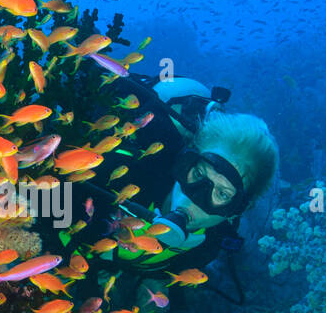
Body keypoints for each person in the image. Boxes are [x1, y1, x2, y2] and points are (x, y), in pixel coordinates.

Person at [61, 74, 279, 287]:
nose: (194, 198)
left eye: (222, 193)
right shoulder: (120, 174)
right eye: (199, 175)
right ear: (185, 163)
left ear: (236, 208)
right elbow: (39, 199)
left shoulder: (210, 244)